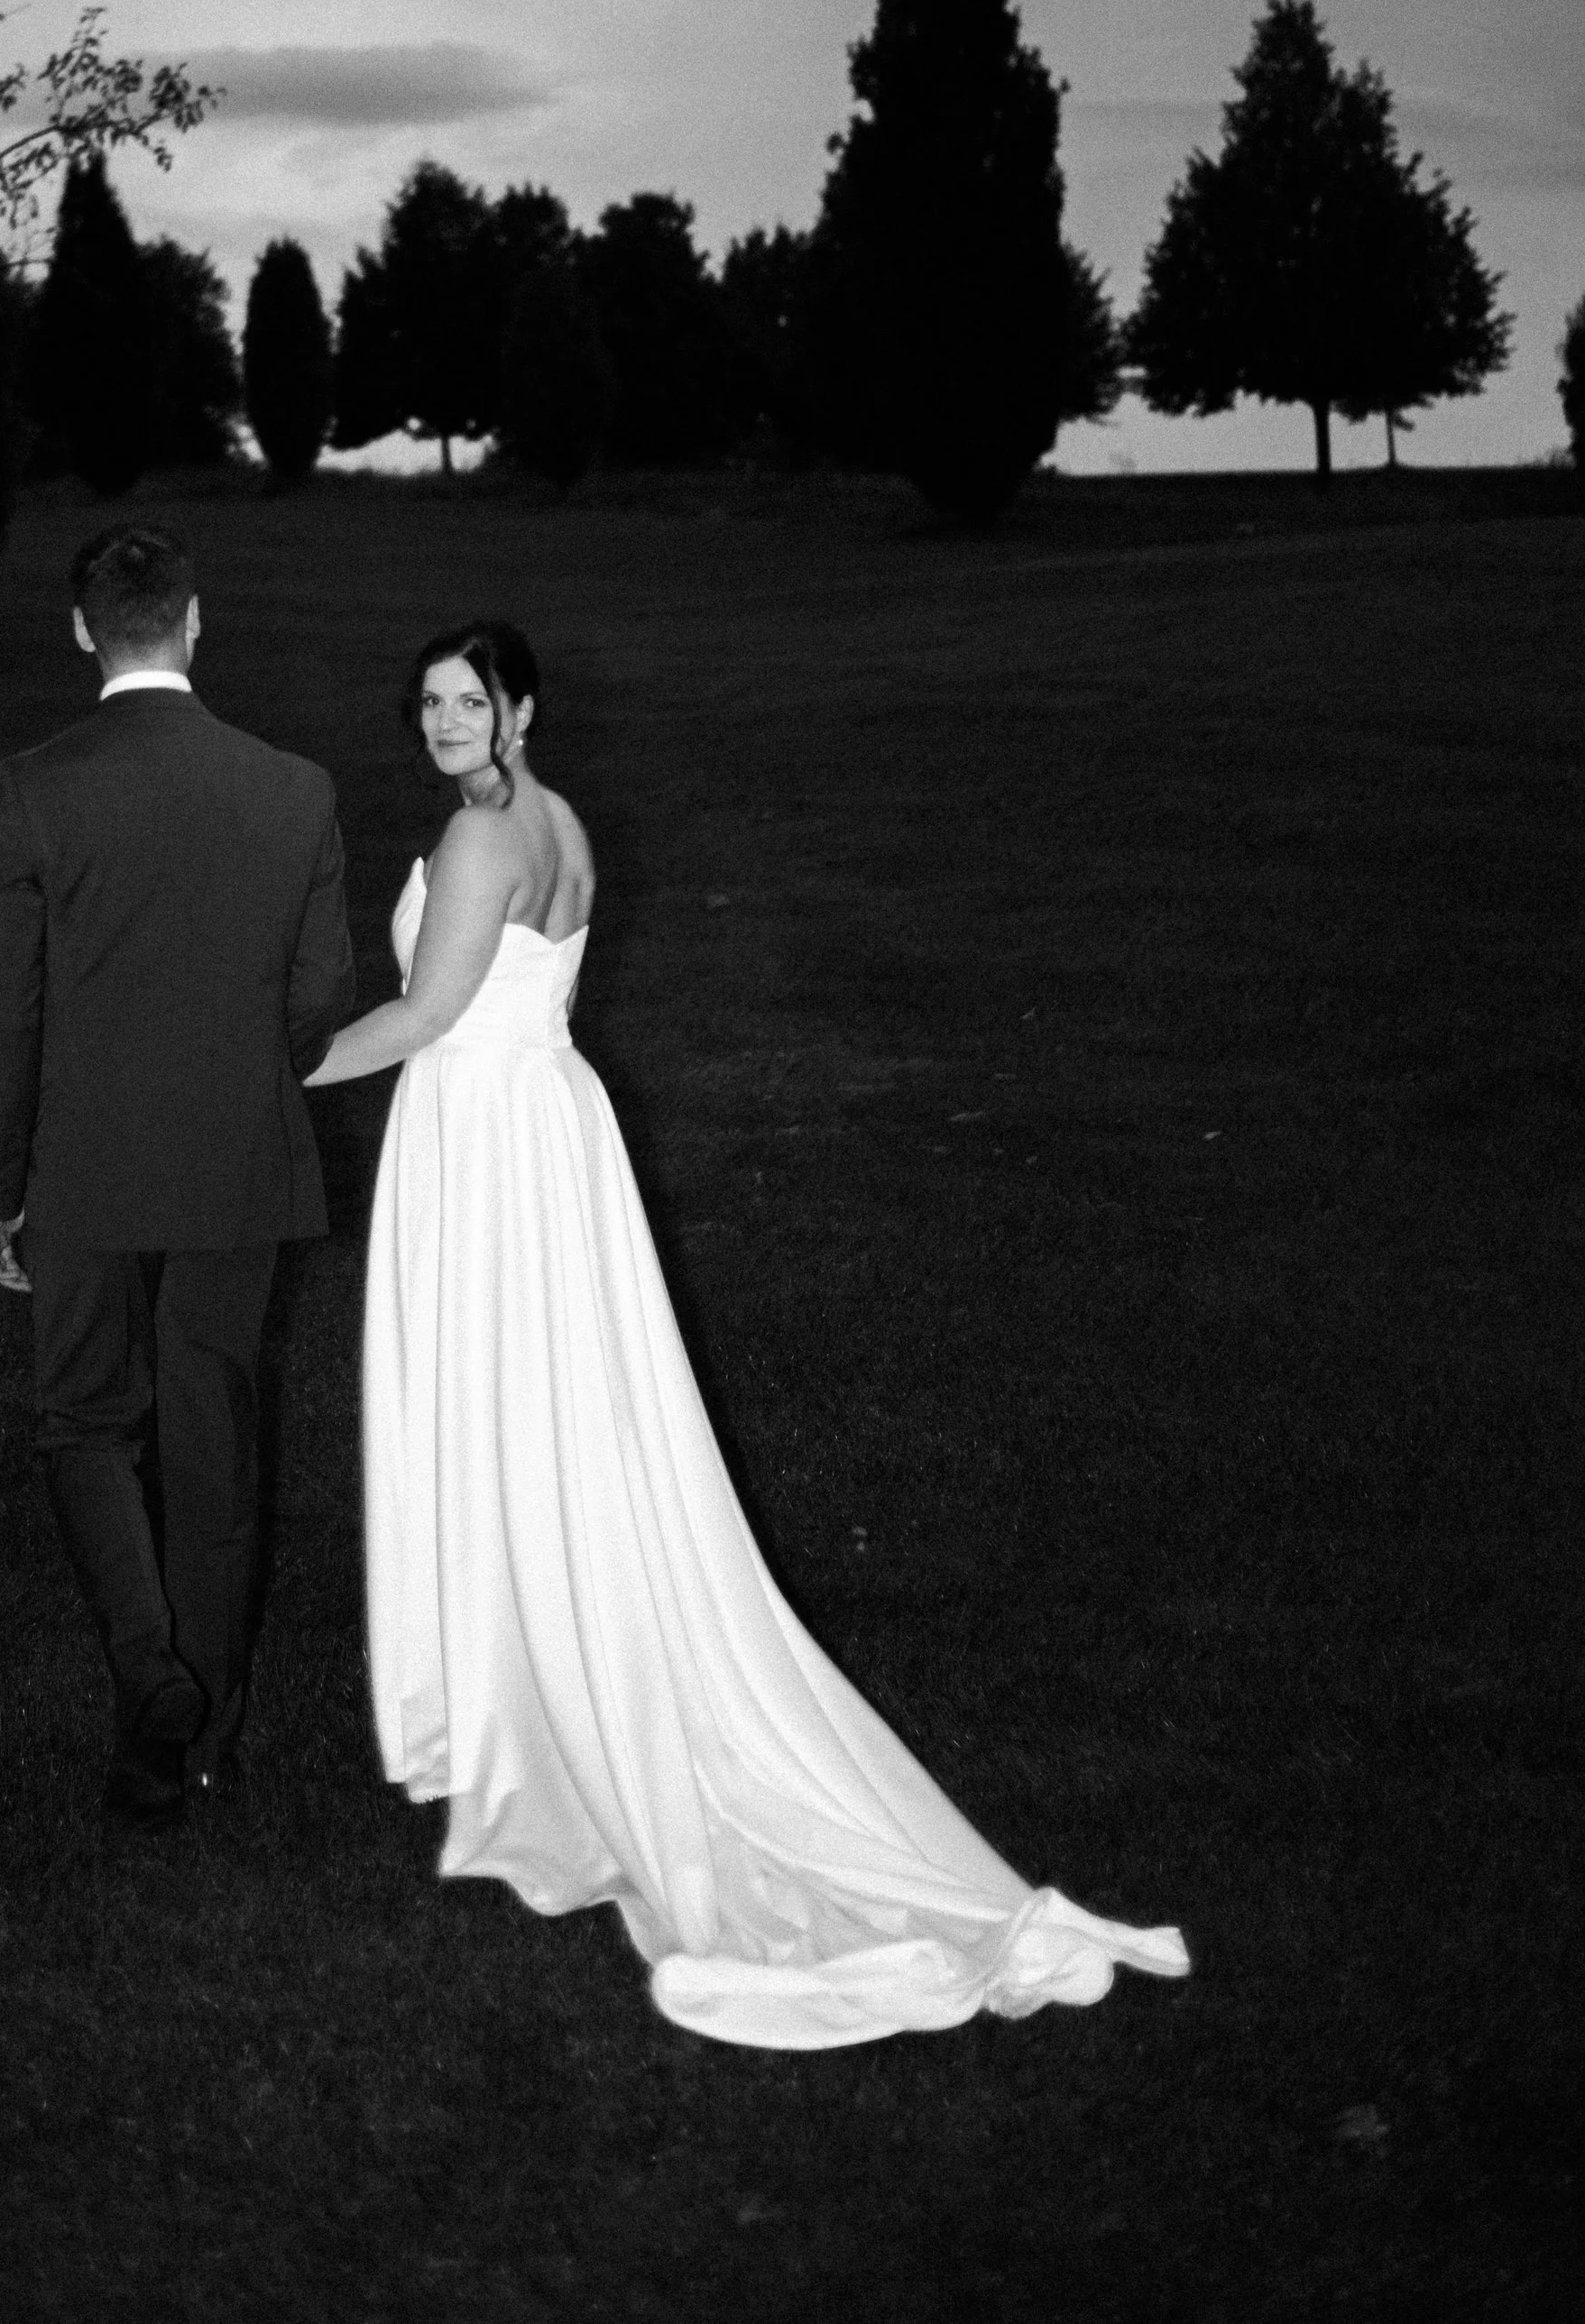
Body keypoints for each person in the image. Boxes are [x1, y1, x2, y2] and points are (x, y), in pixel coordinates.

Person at [308, 618, 1188, 2048]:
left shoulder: (478, 844)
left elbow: (423, 1013)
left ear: (521, 704)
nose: (444, 721)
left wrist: (260, 1072)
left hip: (485, 1143)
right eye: (427, 701)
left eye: (470, 699)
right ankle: (535, 1662)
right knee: (561, 1420)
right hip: (543, 1132)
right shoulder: (561, 821)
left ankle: (544, 1700)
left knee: (507, 1414)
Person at [0, 524, 354, 1825]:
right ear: (195, 621)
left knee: (84, 1420)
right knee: (210, 1434)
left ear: (83, 631)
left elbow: (2, 1013)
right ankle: (207, 1737)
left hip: (80, 1166)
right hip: (237, 1157)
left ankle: (151, 1674)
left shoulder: (31, 788)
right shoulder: (293, 788)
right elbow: (320, 995)